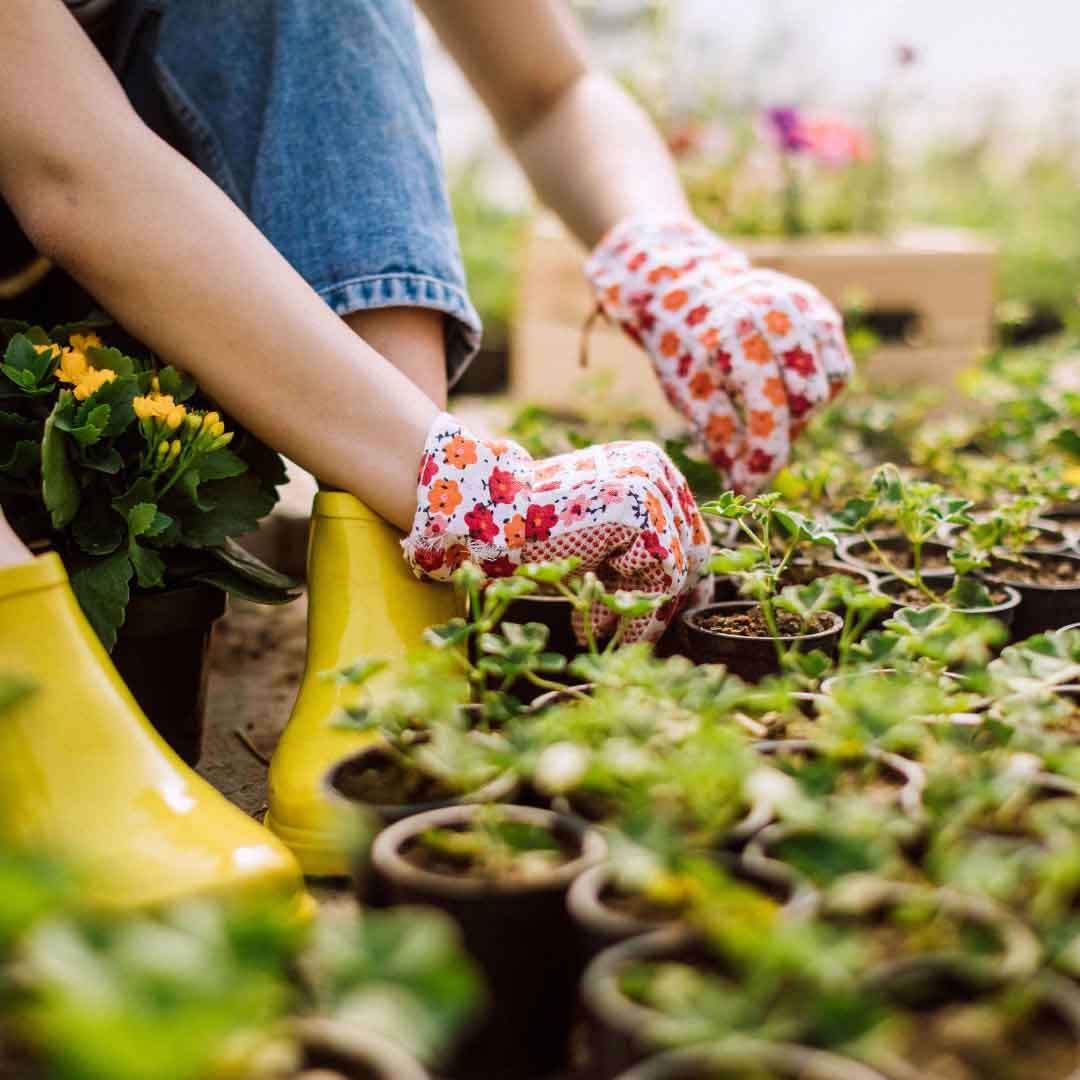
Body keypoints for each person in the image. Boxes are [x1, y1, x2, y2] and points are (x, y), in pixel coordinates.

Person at [0, 0, 852, 895]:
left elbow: (551, 89)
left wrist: (669, 256)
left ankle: (385, 572)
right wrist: (476, 492)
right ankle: (27, 703)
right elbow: (67, 166)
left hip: (175, 272)